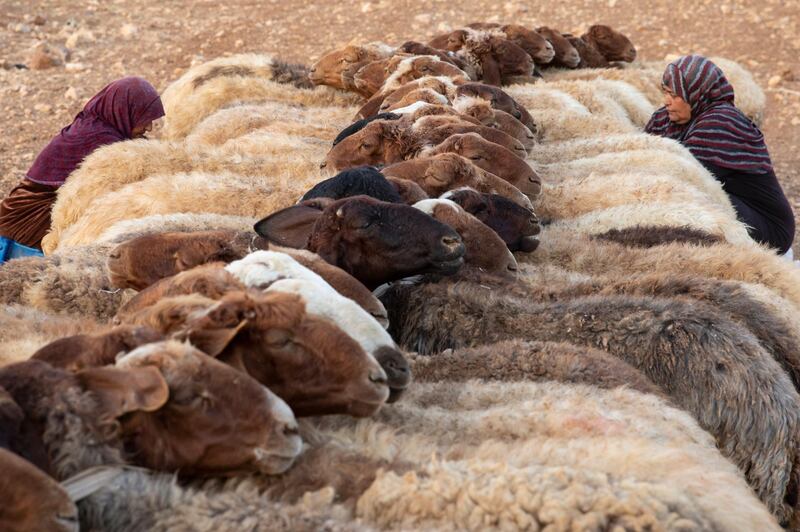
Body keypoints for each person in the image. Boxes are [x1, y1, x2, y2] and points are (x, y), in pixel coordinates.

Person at [0, 76, 164, 262]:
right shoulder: (98, 139)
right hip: (29, 220)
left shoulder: (104, 127)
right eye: (144, 119)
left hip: (48, 209)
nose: (149, 127)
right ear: (125, 111)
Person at [645, 54, 795, 256]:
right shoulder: (664, 119)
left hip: (766, 226)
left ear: (696, 93)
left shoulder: (720, 121)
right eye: (665, 92)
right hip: (730, 203)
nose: (667, 101)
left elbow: (685, 177)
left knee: (687, 197)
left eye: (674, 95)